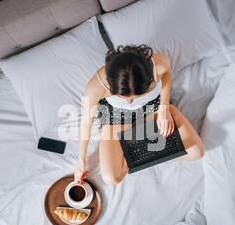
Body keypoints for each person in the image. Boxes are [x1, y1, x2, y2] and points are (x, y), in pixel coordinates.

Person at [75, 45, 204, 186]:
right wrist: (81, 161)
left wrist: (163, 109)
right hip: (118, 118)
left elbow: (167, 73)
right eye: (124, 97)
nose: (130, 100)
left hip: (152, 108)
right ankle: (145, 143)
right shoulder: (95, 87)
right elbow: (86, 122)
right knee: (112, 178)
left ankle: (136, 146)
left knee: (197, 152)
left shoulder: (159, 64)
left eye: (137, 95)